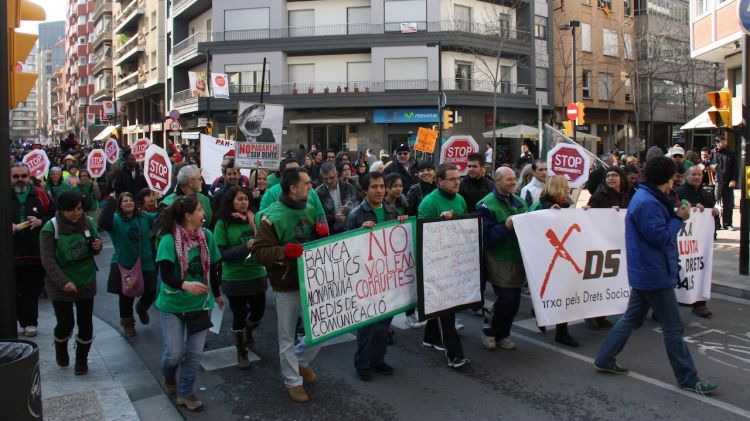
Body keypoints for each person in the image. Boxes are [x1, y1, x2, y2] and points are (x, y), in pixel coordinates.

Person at [593, 157, 719, 395]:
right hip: (654, 273)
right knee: (673, 328)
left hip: (647, 270)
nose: (675, 182)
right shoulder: (648, 202)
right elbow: (660, 237)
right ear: (668, 178)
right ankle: (688, 378)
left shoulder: (648, 197)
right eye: (674, 177)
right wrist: (678, 219)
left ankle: (605, 358)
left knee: (631, 318)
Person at [253, 168, 327, 403]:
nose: (310, 187)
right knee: (286, 335)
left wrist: (319, 234)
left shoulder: (311, 208)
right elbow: (259, 252)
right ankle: (293, 381)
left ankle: (300, 360)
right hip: (286, 284)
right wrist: (283, 252)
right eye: (306, 184)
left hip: (312, 280)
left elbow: (316, 245)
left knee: (322, 329)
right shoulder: (270, 216)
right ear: (293, 188)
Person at [155, 194, 224, 411]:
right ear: (188, 215)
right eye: (200, 210)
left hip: (200, 305)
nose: (204, 213)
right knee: (174, 353)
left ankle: (185, 393)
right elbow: (165, 274)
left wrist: (218, 294)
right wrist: (186, 285)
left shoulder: (207, 236)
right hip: (173, 305)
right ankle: (168, 375)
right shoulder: (168, 240)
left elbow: (213, 268)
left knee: (194, 354)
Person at [346, 172, 408, 381]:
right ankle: (362, 363)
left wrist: (402, 224)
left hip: (386, 278)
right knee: (367, 326)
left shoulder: (392, 211)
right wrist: (358, 233)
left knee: (383, 324)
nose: (379, 190)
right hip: (366, 279)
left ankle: (378, 360)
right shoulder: (356, 215)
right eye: (374, 187)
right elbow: (346, 248)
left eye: (382, 186)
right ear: (365, 190)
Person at [40, 190, 103, 375]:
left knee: (86, 324)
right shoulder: (50, 228)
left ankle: (82, 359)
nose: (76, 214)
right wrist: (63, 282)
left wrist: (96, 246)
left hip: (85, 279)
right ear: (62, 210)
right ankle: (60, 346)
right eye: (71, 211)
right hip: (60, 282)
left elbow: (94, 245)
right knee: (65, 323)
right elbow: (48, 260)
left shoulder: (89, 222)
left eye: (78, 209)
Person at [418, 164, 469, 368]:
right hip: (437, 265)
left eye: (459, 178)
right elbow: (422, 233)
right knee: (447, 308)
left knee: (447, 305)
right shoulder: (429, 203)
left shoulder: (461, 200)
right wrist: (440, 222)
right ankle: (455, 355)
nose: (458, 182)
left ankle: (430, 337)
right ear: (440, 181)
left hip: (456, 261)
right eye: (452, 179)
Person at [214, 186, 269, 370]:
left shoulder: (256, 219)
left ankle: (247, 331)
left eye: (245, 199)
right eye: (239, 199)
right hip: (234, 278)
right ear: (231, 202)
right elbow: (221, 254)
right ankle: (241, 350)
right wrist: (246, 246)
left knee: (258, 312)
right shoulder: (223, 224)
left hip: (256, 273)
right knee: (238, 314)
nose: (244, 202)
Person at [477, 167, 528, 352]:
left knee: (514, 301)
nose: (514, 182)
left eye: (514, 178)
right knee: (506, 298)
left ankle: (503, 333)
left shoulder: (520, 202)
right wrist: (505, 227)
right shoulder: (485, 205)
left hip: (517, 257)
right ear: (497, 181)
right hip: (498, 258)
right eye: (509, 179)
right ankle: (490, 330)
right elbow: (486, 237)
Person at [529, 175, 579, 347]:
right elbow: (531, 227)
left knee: (563, 292)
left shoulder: (566, 206)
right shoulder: (539, 206)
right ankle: (540, 311)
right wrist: (548, 214)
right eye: (565, 187)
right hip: (545, 257)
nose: (568, 190)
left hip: (561, 257)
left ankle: (561, 331)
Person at [100, 193, 158, 337]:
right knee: (126, 296)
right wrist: (111, 201)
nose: (128, 202)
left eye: (131, 199)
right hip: (125, 264)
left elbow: (161, 217)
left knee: (152, 290)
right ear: (119, 204)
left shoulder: (143, 217)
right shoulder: (115, 220)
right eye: (125, 200)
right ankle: (128, 323)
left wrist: (161, 199)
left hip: (145, 262)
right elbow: (103, 222)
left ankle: (142, 307)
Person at [12, 163, 53, 337]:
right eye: (16, 176)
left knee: (31, 289)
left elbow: (54, 214)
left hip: (34, 251)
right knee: (11, 290)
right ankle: (15, 319)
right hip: (10, 253)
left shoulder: (41, 194)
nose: (20, 180)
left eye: (23, 176)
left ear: (29, 177)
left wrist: (40, 221)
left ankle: (29, 322)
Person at [585, 166, 629, 329]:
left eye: (615, 175)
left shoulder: (626, 196)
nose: (611, 178)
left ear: (621, 179)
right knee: (597, 281)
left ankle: (602, 315)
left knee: (610, 281)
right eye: (608, 175)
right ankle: (591, 316)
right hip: (600, 244)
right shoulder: (598, 196)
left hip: (617, 244)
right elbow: (590, 217)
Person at [677, 165, 720, 318]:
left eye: (699, 174)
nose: (696, 177)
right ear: (686, 176)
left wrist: (714, 212)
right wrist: (693, 208)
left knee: (699, 270)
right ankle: (665, 307)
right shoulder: (679, 193)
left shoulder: (706, 195)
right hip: (681, 241)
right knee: (677, 273)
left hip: (698, 244)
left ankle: (699, 303)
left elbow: (713, 219)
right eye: (693, 174)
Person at [316, 162, 357, 234]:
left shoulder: (348, 187)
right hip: (331, 230)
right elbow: (320, 215)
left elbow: (355, 204)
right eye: (326, 179)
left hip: (349, 226)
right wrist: (334, 217)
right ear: (322, 177)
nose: (329, 181)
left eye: (331, 177)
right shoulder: (318, 192)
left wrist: (349, 206)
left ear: (337, 173)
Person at [713, 135, 737, 230]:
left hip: (727, 182)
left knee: (728, 204)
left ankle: (727, 224)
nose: (725, 143)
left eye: (725, 141)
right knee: (715, 203)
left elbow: (735, 168)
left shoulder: (730, 153)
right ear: (717, 143)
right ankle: (716, 224)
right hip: (715, 184)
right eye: (722, 142)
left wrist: (733, 179)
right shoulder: (713, 153)